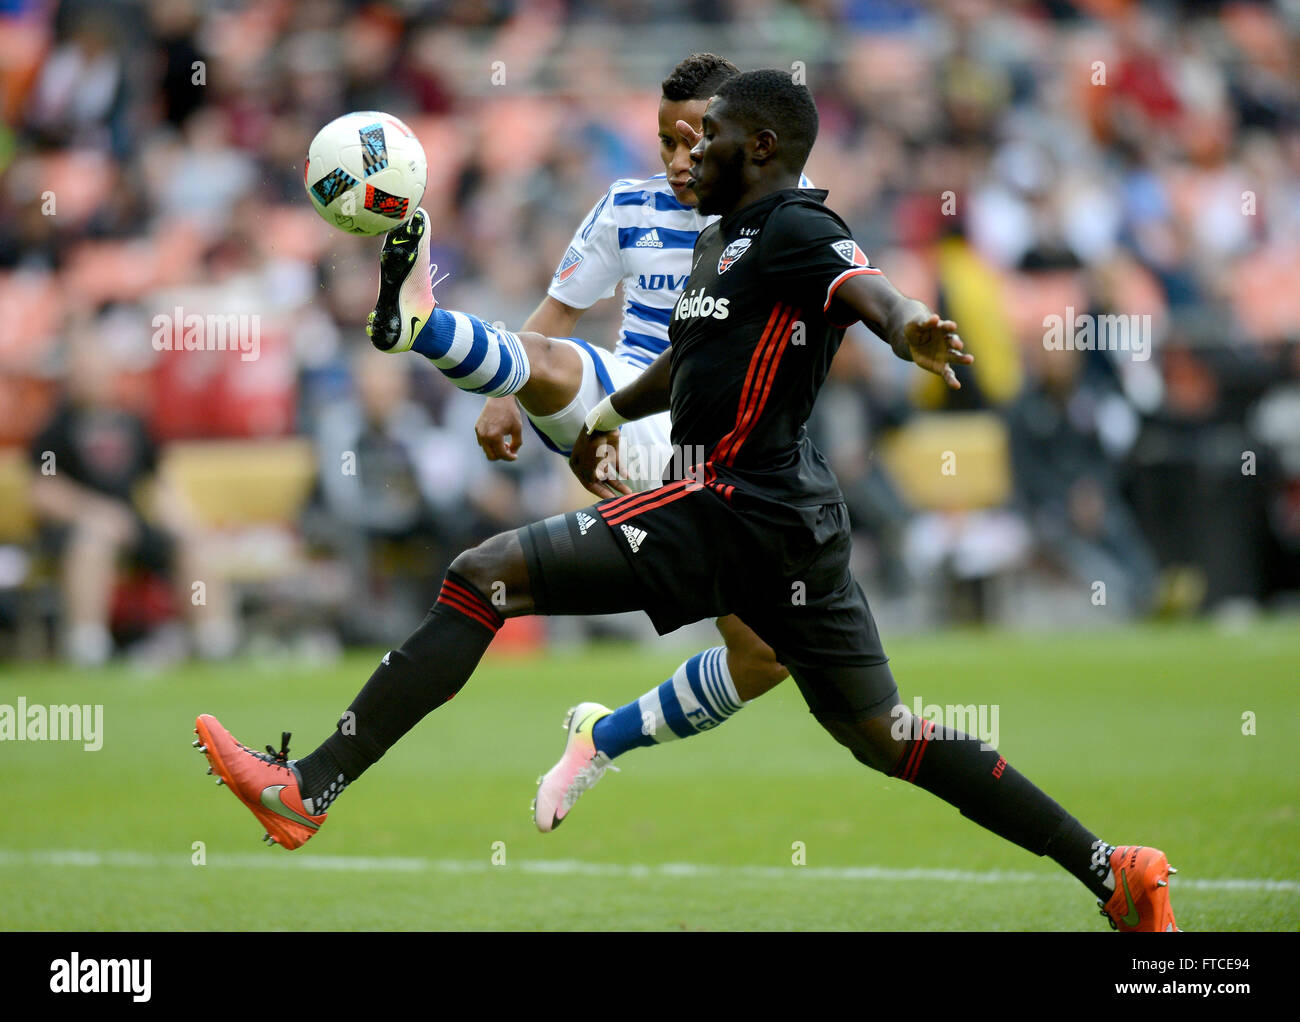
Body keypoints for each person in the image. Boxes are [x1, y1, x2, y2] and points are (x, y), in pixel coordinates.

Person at [195, 70, 1178, 931]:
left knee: (482, 576)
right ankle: (1112, 872)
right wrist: (605, 418)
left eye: (705, 136)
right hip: (790, 526)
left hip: (729, 506)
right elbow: (683, 366)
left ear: (758, 147)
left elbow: (863, 286)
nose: (687, 149)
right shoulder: (723, 247)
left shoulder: (798, 226)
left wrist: (911, 324)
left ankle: (308, 785)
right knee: (889, 736)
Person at [422, 53, 806, 832]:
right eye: (664, 141)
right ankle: (419, 323)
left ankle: (601, 736)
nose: (676, 160)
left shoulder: (776, 223)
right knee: (563, 381)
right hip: (629, 418)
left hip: (726, 456)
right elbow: (553, 322)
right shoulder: (626, 208)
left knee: (764, 658)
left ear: (738, 139)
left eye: (692, 141)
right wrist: (506, 390)